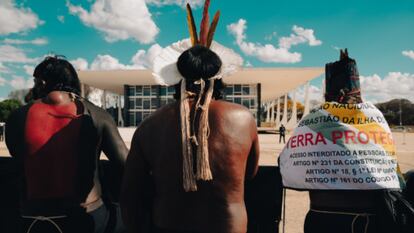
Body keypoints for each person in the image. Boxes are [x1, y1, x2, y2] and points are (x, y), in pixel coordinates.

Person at [120, 2, 259, 232]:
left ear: (178, 79)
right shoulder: (243, 119)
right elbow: (250, 174)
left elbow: (130, 193)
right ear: (218, 78)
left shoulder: (149, 125)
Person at [5, 56, 128, 233]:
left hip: (31, 220)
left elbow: (18, 155)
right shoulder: (96, 114)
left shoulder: (17, 117)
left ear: (43, 82)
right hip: (86, 218)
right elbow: (125, 164)